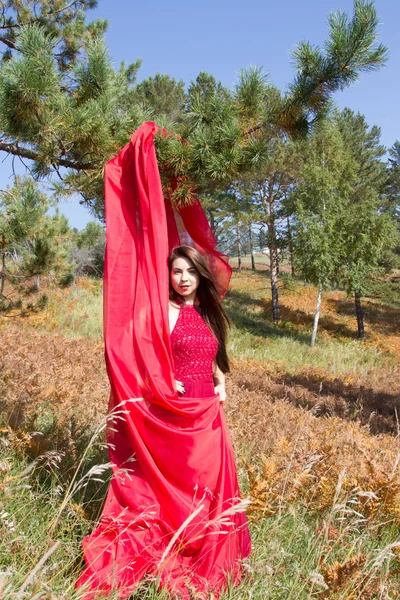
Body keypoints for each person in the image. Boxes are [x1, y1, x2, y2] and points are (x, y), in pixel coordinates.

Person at [75, 122, 251, 600]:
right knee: (169, 491)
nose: (183, 278)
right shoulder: (160, 313)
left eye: (189, 271)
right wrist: (162, 385)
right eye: (175, 272)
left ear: (199, 274)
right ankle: (166, 551)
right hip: (173, 417)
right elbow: (134, 350)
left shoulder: (206, 314)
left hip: (208, 417)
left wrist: (219, 382)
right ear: (168, 277)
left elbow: (211, 355)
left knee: (206, 491)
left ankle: (204, 555)